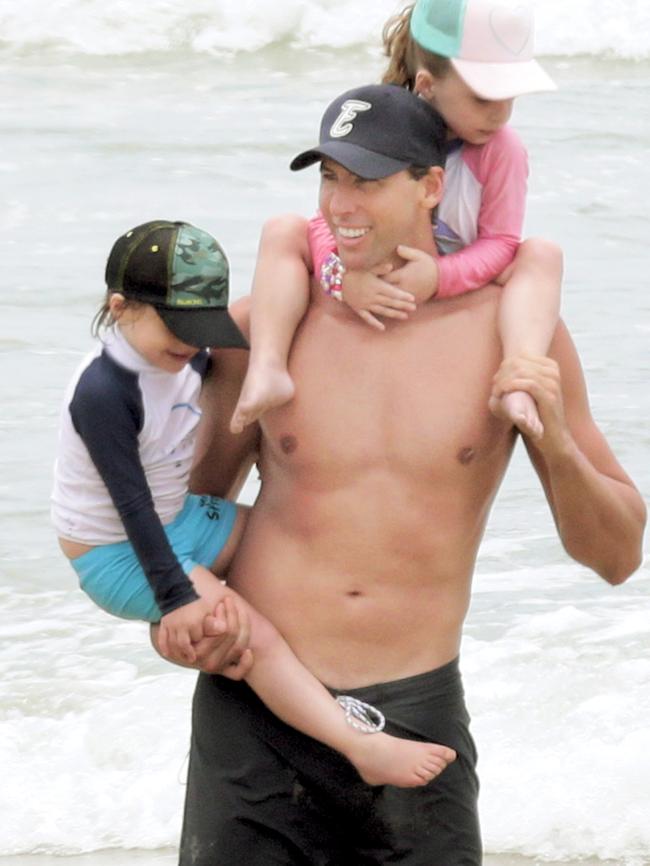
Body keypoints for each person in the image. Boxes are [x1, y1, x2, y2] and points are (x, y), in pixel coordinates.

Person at [168, 84, 646, 865]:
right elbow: (183, 518)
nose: (340, 203)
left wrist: (555, 444)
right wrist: (171, 619)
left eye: (366, 180)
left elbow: (618, 556)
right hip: (255, 710)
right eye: (328, 177)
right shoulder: (271, 330)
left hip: (417, 717)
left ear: (430, 185)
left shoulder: (510, 332)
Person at [50, 218, 456, 789]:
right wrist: (177, 600)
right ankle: (358, 746)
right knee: (253, 635)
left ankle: (335, 680)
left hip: (182, 520)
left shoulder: (176, 350)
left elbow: (280, 282)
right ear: (120, 307)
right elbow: (132, 508)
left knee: (293, 539)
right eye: (178, 327)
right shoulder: (104, 393)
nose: (191, 344)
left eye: (200, 326)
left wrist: (353, 282)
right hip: (117, 552)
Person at [229, 0, 562, 443]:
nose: (500, 113)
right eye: (484, 96)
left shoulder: (502, 150)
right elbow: (329, 220)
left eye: (510, 96)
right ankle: (268, 367)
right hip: (371, 265)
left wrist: (440, 277)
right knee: (282, 230)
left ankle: (519, 378)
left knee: (541, 254)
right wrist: (341, 279)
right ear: (426, 85)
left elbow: (501, 242)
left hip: (454, 272)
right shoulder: (381, 125)